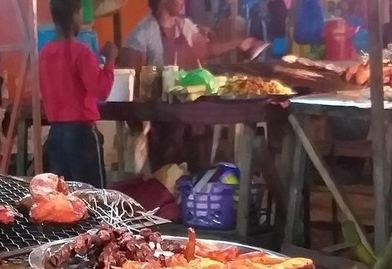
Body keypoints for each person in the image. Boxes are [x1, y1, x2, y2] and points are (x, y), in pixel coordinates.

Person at [39, 0, 117, 188]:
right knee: (92, 196)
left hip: (56, 134)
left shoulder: (45, 53)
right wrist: (111, 60)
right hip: (81, 135)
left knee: (64, 197)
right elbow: (102, 90)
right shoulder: (81, 52)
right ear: (75, 16)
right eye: (81, 15)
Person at [122, 0, 259, 70]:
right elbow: (133, 78)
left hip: (189, 104)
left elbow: (207, 50)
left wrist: (238, 43)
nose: (183, 2)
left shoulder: (184, 25)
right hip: (161, 111)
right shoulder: (141, 34)